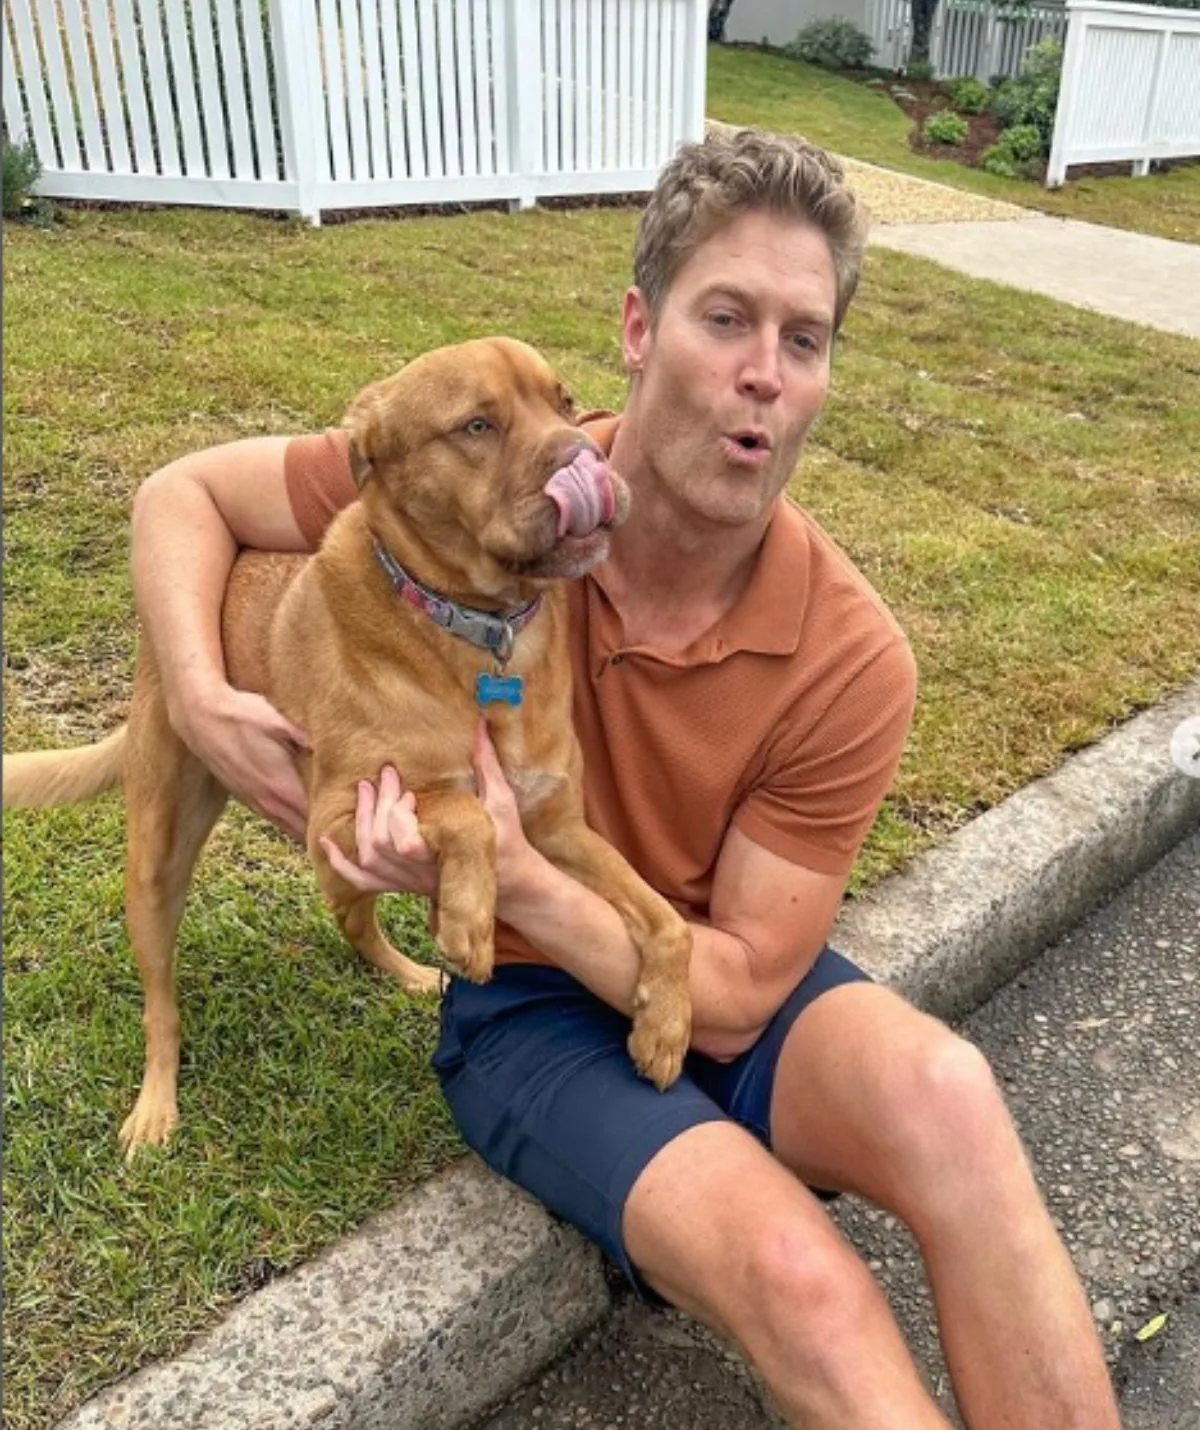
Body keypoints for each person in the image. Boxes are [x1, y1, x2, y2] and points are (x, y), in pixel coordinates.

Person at [130, 129, 1120, 1428]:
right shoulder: (484, 489)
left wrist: (528, 863)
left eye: (805, 339)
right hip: (530, 1010)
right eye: (727, 318)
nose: (764, 374)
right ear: (640, 328)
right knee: (800, 1279)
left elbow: (741, 988)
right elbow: (180, 495)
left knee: (952, 1093)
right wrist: (205, 699)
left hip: (707, 973)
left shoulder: (850, 654)